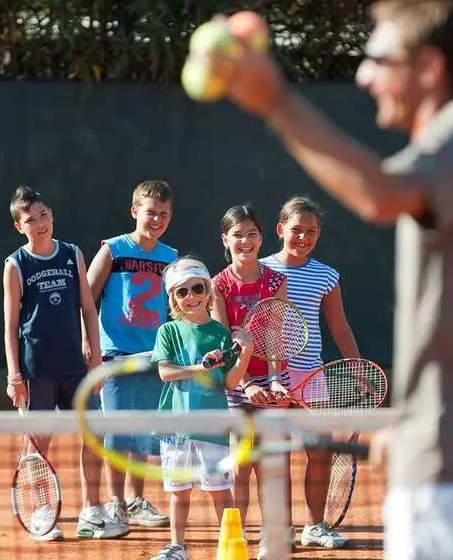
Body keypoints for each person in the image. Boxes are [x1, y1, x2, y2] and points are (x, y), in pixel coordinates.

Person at [212, 1, 453, 558]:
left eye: (377, 57)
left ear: (427, 69)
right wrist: (415, 421)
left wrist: (273, 100)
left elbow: (376, 193)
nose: (364, 75)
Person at [3, 185, 128, 540]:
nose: (40, 223)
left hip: (76, 365)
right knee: (39, 440)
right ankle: (42, 511)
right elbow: (11, 325)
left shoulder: (72, 254)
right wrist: (14, 375)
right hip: (35, 368)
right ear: (19, 226)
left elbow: (88, 309)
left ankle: (92, 509)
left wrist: (97, 358)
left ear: (52, 216)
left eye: (44, 215)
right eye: (31, 220)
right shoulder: (15, 265)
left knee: (94, 432)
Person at [260, 196, 361, 549]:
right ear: (280, 230)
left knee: (318, 450)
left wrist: (357, 366)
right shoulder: (260, 270)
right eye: (296, 230)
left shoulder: (326, 276)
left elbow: (340, 326)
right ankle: (282, 528)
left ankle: (314, 526)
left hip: (312, 377)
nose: (303, 237)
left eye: (311, 232)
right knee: (277, 454)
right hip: (269, 378)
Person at [85, 179, 176, 529]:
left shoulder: (171, 258)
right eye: (151, 212)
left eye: (163, 215)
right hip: (116, 356)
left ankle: (137, 501)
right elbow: (87, 298)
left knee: (143, 433)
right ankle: (116, 503)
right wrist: (88, 343)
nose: (156, 220)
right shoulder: (113, 250)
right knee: (118, 432)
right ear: (135, 211)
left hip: (155, 357)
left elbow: (180, 308)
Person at [150, 257, 253, 560]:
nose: (191, 296)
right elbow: (165, 373)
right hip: (176, 426)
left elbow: (232, 382)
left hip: (212, 427)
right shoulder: (168, 331)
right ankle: (177, 546)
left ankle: (232, 544)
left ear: (208, 292)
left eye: (197, 288)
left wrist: (244, 353)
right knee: (179, 492)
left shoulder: (221, 334)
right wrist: (198, 367)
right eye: (182, 292)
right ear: (173, 299)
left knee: (220, 491)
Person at [209, 204, 295, 559]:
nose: (245, 241)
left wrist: (274, 381)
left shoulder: (276, 280)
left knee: (272, 464)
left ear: (262, 237)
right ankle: (239, 538)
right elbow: (223, 341)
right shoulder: (218, 285)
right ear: (225, 240)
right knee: (240, 465)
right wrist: (246, 384)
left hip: (272, 382)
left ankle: (273, 538)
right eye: (238, 234)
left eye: (252, 234)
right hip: (237, 384)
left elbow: (275, 333)